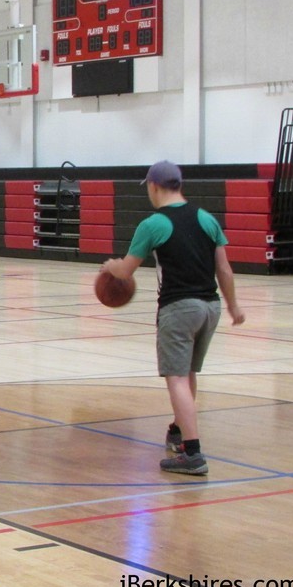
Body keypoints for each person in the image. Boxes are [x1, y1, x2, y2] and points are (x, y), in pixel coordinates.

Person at [101, 160, 245, 476]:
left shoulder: (153, 224)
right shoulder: (206, 218)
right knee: (188, 372)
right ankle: (179, 432)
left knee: (176, 377)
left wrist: (110, 266)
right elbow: (224, 269)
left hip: (179, 307)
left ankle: (192, 452)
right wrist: (234, 307)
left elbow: (125, 271)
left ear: (154, 186)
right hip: (210, 307)